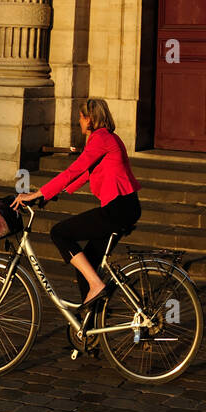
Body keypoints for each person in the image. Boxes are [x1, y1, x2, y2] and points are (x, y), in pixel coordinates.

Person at [11, 98, 141, 326]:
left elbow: (74, 169)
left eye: (80, 118)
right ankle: (91, 325)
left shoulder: (99, 138)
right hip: (126, 207)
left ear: (89, 119)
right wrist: (49, 195)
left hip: (118, 208)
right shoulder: (110, 138)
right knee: (86, 264)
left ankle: (97, 288)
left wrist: (36, 193)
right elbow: (86, 174)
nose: (78, 122)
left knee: (60, 233)